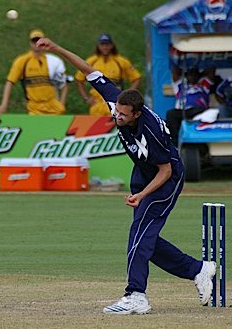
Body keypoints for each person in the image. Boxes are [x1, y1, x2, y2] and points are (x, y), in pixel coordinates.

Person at [36, 37, 216, 315]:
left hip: (165, 178)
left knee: (139, 236)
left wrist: (142, 194)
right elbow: (89, 70)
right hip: (144, 174)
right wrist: (58, 48)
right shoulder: (117, 103)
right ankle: (198, 269)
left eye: (123, 115)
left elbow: (165, 170)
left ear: (137, 114)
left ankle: (136, 295)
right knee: (146, 240)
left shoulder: (152, 131)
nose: (117, 117)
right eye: (116, 111)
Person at [0, 29, 69, 116]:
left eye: (39, 41)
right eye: (34, 41)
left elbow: (64, 84)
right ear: (30, 43)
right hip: (35, 109)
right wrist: (3, 105)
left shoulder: (52, 61)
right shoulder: (22, 60)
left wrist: (62, 103)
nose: (37, 44)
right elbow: (10, 82)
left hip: (54, 108)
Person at [74, 33, 141, 116]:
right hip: (97, 103)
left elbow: (136, 78)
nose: (105, 47)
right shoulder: (92, 61)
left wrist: (127, 95)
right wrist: (86, 98)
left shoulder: (120, 61)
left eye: (107, 44)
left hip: (115, 101)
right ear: (98, 46)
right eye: (102, 44)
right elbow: (79, 79)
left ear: (112, 46)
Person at [166, 66, 212, 146]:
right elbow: (174, 70)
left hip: (198, 109)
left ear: (199, 77)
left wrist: (202, 74)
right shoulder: (181, 86)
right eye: (190, 75)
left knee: (202, 110)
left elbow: (212, 69)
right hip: (183, 110)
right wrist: (183, 71)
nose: (193, 77)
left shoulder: (203, 85)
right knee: (170, 114)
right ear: (187, 76)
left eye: (195, 75)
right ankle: (175, 143)